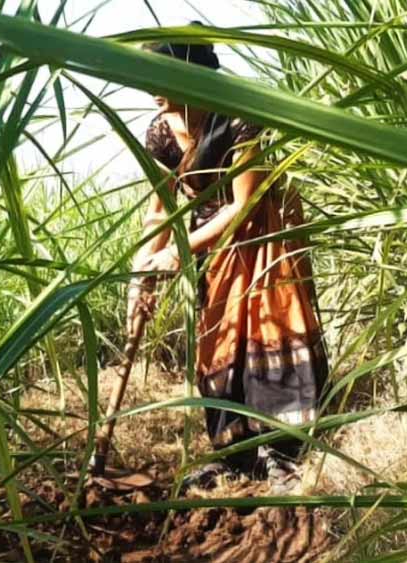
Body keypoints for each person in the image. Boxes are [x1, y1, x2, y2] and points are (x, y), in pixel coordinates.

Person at [128, 35, 329, 489]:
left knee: (267, 329)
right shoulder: (161, 132)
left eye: (161, 77)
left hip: (262, 231)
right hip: (208, 241)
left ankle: (283, 449)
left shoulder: (238, 114)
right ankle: (236, 453)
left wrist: (178, 253)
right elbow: (160, 210)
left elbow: (245, 203)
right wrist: (142, 275)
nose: (149, 89)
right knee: (218, 337)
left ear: (190, 75)